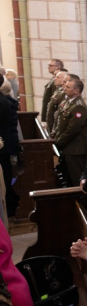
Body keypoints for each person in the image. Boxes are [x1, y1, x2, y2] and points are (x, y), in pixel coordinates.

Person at [52, 79, 87, 187]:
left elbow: (73, 130)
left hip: (75, 149)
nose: (65, 89)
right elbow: (59, 121)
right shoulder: (68, 102)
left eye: (68, 87)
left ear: (77, 90)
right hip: (67, 147)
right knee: (68, 177)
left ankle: (82, 202)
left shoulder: (79, 106)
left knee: (77, 179)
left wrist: (58, 143)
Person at [0, 76, 20, 217]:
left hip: (3, 148)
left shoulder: (2, 102)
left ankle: (10, 209)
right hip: (5, 146)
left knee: (6, 180)